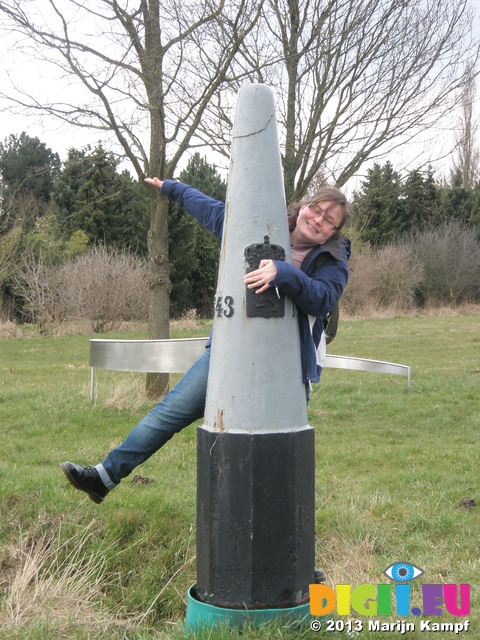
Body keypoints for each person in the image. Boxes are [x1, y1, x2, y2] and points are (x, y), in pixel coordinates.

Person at [60, 177, 352, 504]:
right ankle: (104, 476)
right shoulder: (258, 226)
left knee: (277, 446)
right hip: (227, 352)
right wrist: (171, 188)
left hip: (286, 366)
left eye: (329, 221)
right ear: (304, 207)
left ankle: (276, 521)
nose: (318, 220)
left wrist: (282, 272)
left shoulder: (333, 261)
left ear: (333, 232)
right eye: (317, 209)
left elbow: (322, 299)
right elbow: (212, 211)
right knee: (166, 415)